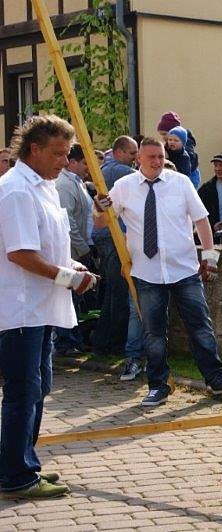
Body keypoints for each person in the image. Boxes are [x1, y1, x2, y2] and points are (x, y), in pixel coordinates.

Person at [93, 137, 222, 407]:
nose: (157, 162)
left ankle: (217, 379)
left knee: (200, 327)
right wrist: (98, 207)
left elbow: (201, 219)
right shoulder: (124, 187)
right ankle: (158, 385)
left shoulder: (180, 183)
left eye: (160, 156)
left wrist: (209, 256)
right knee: (153, 333)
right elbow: (103, 222)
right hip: (146, 271)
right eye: (151, 157)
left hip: (184, 269)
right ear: (139, 158)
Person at [0, 115, 99, 499]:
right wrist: (68, 278)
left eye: (66, 153)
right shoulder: (16, 191)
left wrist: (70, 266)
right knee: (25, 392)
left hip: (40, 308)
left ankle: (22, 462)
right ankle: (16, 476)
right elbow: (21, 254)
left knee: (38, 389)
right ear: (34, 150)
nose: (64, 160)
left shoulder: (44, 186)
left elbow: (45, 247)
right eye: (57, 153)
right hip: (20, 309)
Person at [93, 136, 138, 359]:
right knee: (119, 292)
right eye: (132, 153)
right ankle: (112, 343)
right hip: (114, 237)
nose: (135, 158)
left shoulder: (104, 168)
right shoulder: (122, 172)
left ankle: (102, 342)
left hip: (104, 236)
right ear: (119, 152)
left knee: (112, 292)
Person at [53, 144, 93, 356]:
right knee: (67, 294)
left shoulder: (78, 183)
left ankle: (72, 338)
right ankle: (65, 341)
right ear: (73, 162)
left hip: (77, 251)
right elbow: (68, 221)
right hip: (70, 252)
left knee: (75, 296)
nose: (89, 167)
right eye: (85, 163)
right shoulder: (65, 185)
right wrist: (83, 247)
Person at [157, 111, 200, 188]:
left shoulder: (186, 146)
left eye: (164, 134)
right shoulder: (168, 145)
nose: (163, 137)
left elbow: (190, 163)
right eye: (161, 135)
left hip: (189, 177)